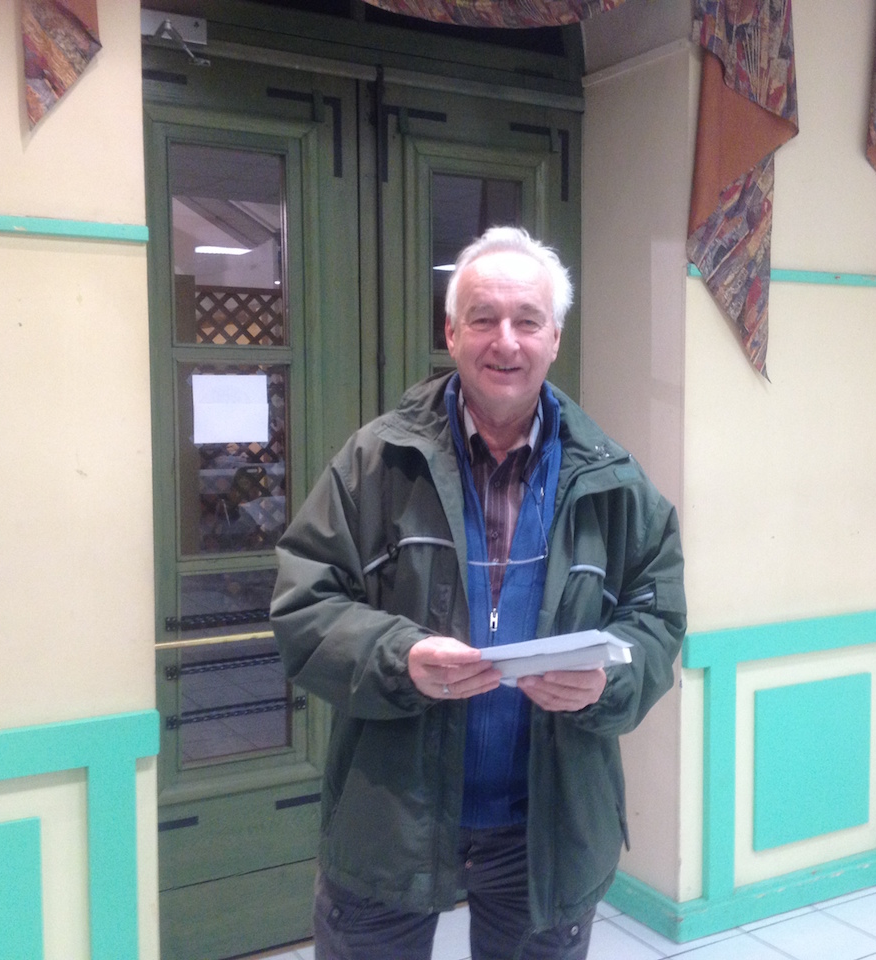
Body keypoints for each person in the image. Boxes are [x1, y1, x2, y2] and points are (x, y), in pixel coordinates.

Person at [270, 226, 686, 960]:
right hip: (389, 818)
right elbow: (304, 605)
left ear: (555, 338)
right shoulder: (376, 461)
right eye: (484, 318)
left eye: (527, 320)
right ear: (452, 333)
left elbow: (657, 616)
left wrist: (606, 684)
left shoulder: (612, 479)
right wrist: (400, 657)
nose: (506, 342)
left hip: (545, 829)